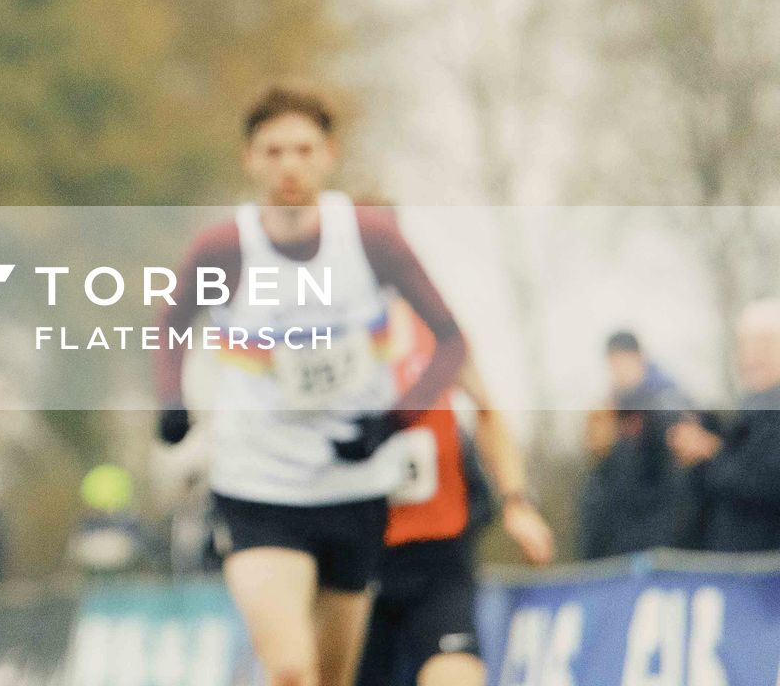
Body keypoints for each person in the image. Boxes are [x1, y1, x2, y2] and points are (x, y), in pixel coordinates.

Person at [155, 85, 467, 686]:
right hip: (258, 484)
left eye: (302, 149)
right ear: (249, 159)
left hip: (353, 484)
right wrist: (173, 402)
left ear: (329, 154)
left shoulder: (371, 238)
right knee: (292, 671)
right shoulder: (224, 249)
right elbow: (170, 324)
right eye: (272, 152)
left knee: (330, 677)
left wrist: (394, 420)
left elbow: (451, 341)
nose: (289, 166)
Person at [355, 303, 555, 686]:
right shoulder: (319, 332)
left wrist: (516, 502)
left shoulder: (436, 332)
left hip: (439, 558)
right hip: (355, 558)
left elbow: (487, 412)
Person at [667, 299, 780, 551]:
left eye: (765, 343)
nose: (753, 354)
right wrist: (695, 459)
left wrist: (711, 453)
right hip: (730, 576)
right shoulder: (742, 418)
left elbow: (767, 481)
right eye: (745, 344)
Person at [578, 330, 694, 559]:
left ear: (639, 358)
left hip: (661, 549)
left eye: (623, 361)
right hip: (619, 549)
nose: (618, 371)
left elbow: (678, 485)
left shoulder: (667, 405)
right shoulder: (610, 411)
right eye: (613, 363)